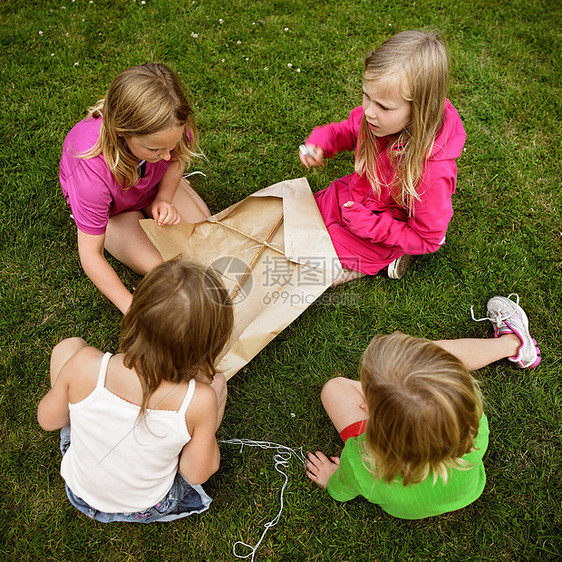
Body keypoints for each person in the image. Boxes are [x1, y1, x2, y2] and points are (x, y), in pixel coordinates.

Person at [305, 294, 541, 519]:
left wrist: (331, 481)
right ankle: (513, 344)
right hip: (467, 492)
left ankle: (392, 393)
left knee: (333, 389)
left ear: (368, 411)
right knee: (434, 356)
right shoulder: (473, 425)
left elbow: (342, 489)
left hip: (404, 502)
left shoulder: (361, 463)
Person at [37, 259, 234, 523]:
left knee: (68, 347)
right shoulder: (198, 400)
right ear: (205, 346)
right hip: (147, 504)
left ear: (136, 314)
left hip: (80, 487)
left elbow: (48, 420)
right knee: (218, 385)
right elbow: (196, 473)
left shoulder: (86, 364)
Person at [300, 30, 466, 280]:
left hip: (380, 231)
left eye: (383, 106)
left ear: (419, 110)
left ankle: (391, 257)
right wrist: (321, 143)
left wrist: (370, 226)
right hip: (350, 197)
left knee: (310, 267)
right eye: (366, 96)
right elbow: (346, 131)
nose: (368, 111)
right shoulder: (377, 117)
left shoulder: (432, 173)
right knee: (297, 221)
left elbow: (429, 237)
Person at [60, 63, 210, 313]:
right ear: (122, 133)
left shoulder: (169, 129)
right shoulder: (92, 176)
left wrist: (164, 197)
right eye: (155, 149)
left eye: (170, 146)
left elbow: (176, 159)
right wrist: (130, 308)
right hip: (115, 212)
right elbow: (90, 255)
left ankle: (152, 197)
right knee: (169, 269)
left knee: (207, 238)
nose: (166, 156)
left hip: (153, 184)